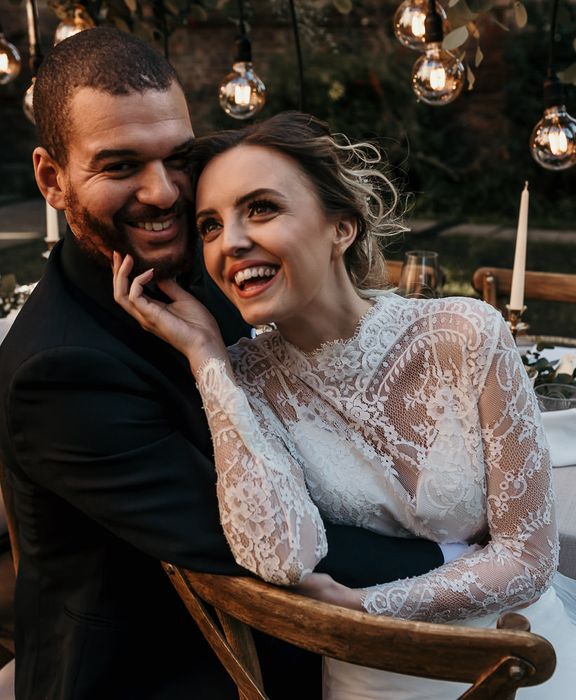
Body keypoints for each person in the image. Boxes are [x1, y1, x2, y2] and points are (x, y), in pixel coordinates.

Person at [113, 112, 576, 700]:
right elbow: (282, 556)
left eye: (260, 209)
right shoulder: (251, 380)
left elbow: (531, 559)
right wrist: (209, 362)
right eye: (210, 225)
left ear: (340, 226)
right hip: (375, 682)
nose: (230, 242)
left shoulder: (464, 335)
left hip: (521, 659)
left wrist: (365, 606)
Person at [0, 28, 446, 700]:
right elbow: (253, 535)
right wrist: (458, 557)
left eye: (179, 158)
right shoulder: (59, 373)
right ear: (51, 178)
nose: (163, 192)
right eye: (119, 166)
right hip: (162, 670)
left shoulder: (205, 267)